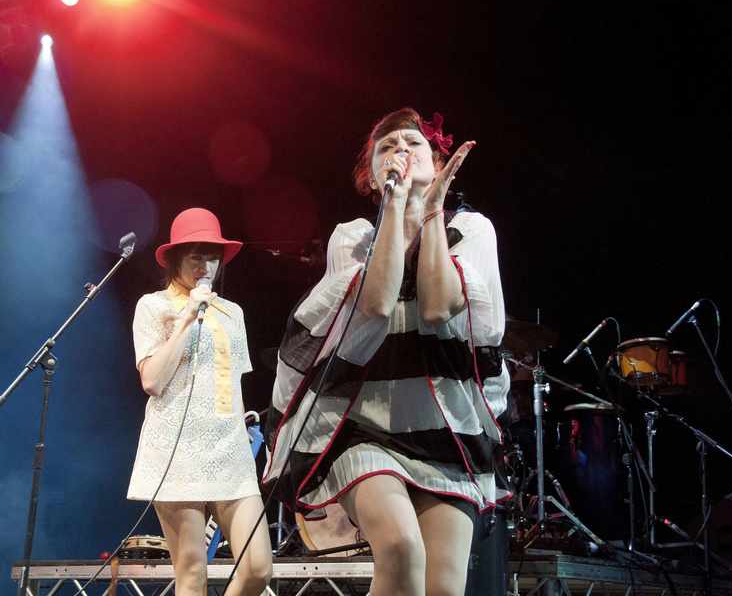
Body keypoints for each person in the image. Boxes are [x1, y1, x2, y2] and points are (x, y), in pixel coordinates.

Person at [264, 108, 509, 595]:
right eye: (387, 147)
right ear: (372, 175)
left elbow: (439, 308)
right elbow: (375, 306)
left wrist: (433, 211)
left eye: (413, 144)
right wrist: (395, 207)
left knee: (443, 586)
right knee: (400, 549)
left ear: (439, 164)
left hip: (447, 431)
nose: (401, 150)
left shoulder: (472, 230)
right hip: (365, 428)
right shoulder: (352, 239)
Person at [128, 208, 272, 596]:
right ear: (176, 258)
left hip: (229, 449)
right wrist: (188, 317)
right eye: (196, 256)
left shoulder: (232, 313)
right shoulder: (154, 306)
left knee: (258, 567)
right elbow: (153, 380)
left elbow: (233, 384)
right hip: (178, 449)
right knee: (192, 575)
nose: (206, 265)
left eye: (213, 257)